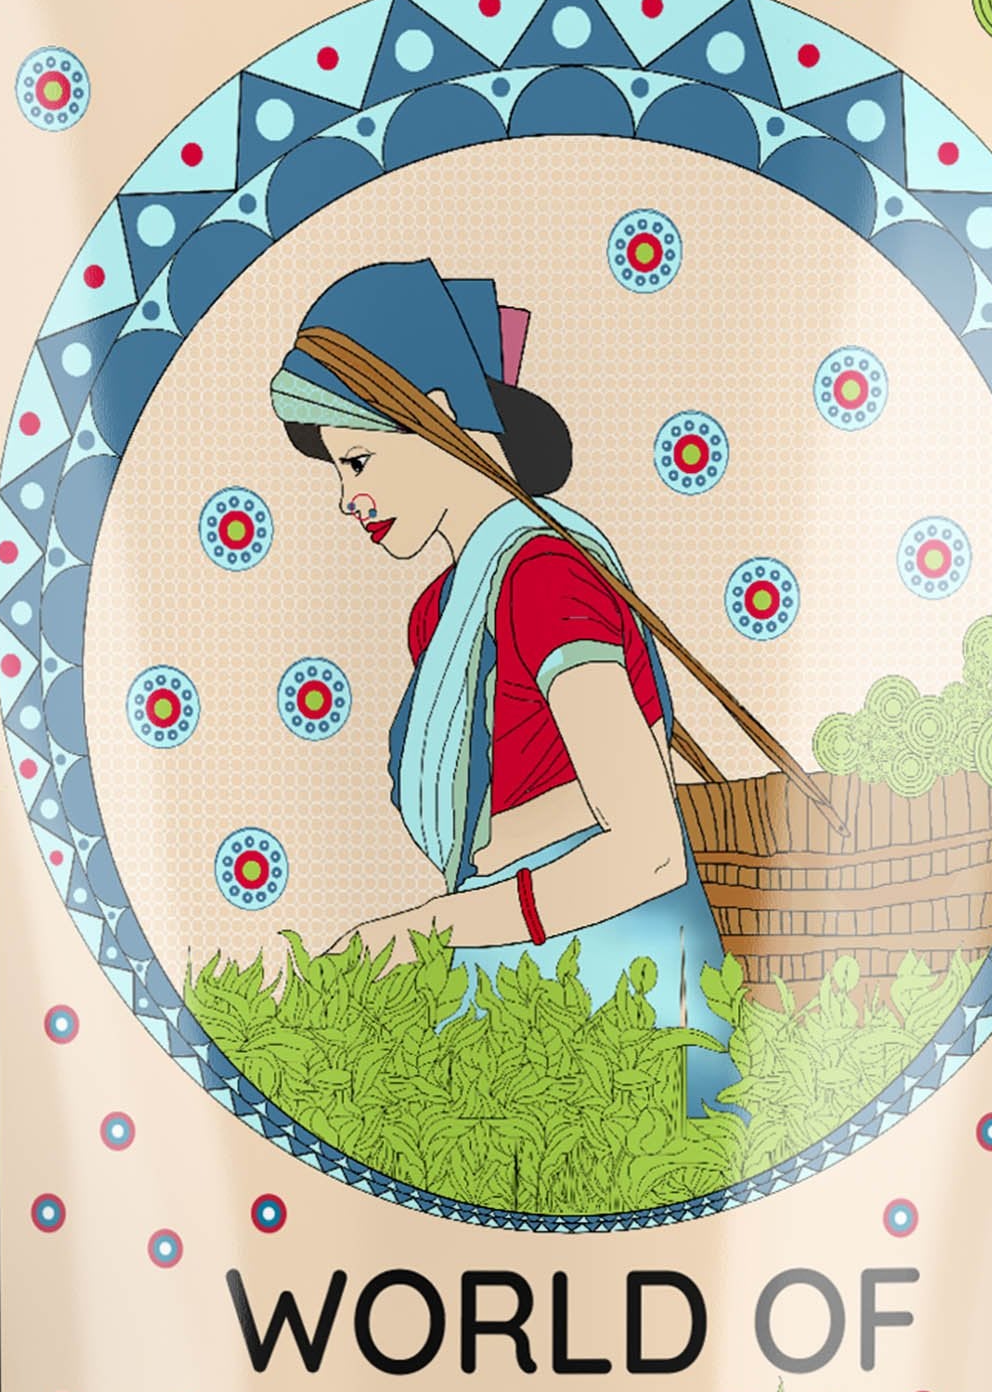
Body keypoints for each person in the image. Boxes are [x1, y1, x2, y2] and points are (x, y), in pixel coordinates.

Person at [268, 257, 772, 1113]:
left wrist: (421, 928)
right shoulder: (441, 612)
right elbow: (544, 804)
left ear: (435, 415)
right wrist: (495, 858)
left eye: (358, 459)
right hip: (513, 950)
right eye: (338, 472)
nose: (348, 498)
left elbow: (647, 849)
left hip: (623, 980)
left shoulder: (543, 578)